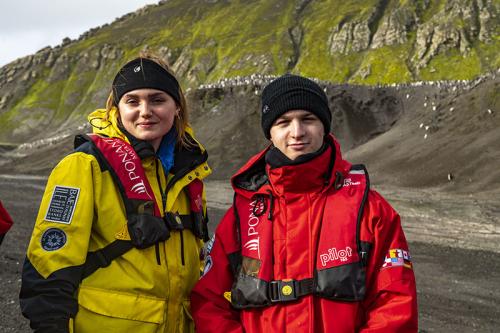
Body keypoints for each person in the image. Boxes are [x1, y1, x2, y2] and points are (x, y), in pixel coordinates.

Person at [191, 74, 418, 332]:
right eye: (283, 122)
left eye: (308, 119)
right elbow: (209, 302)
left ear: (324, 126)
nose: (297, 132)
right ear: (270, 133)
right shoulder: (241, 217)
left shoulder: (371, 211)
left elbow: (395, 304)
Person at [20, 53, 211, 332]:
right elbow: (50, 260)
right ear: (117, 109)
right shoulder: (85, 165)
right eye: (132, 101)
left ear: (177, 107)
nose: (145, 111)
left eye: (158, 99)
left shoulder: (189, 175)